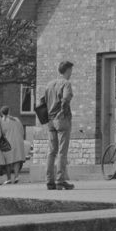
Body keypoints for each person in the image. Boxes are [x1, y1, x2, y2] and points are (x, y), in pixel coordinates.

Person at [44, 60, 75, 190]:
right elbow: (66, 99)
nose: (71, 73)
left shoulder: (49, 85)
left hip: (50, 120)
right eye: (71, 70)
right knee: (62, 151)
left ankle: (49, 180)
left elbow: (43, 101)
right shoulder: (66, 83)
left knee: (52, 151)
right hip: (61, 119)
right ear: (67, 70)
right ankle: (60, 180)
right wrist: (63, 111)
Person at [0, 105, 27, 184]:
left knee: (8, 161)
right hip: (18, 142)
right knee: (16, 160)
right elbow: (22, 130)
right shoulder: (16, 119)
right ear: (9, 111)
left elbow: (2, 133)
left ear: (1, 113)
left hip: (8, 143)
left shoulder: (2, 121)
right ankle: (16, 176)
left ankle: (8, 178)